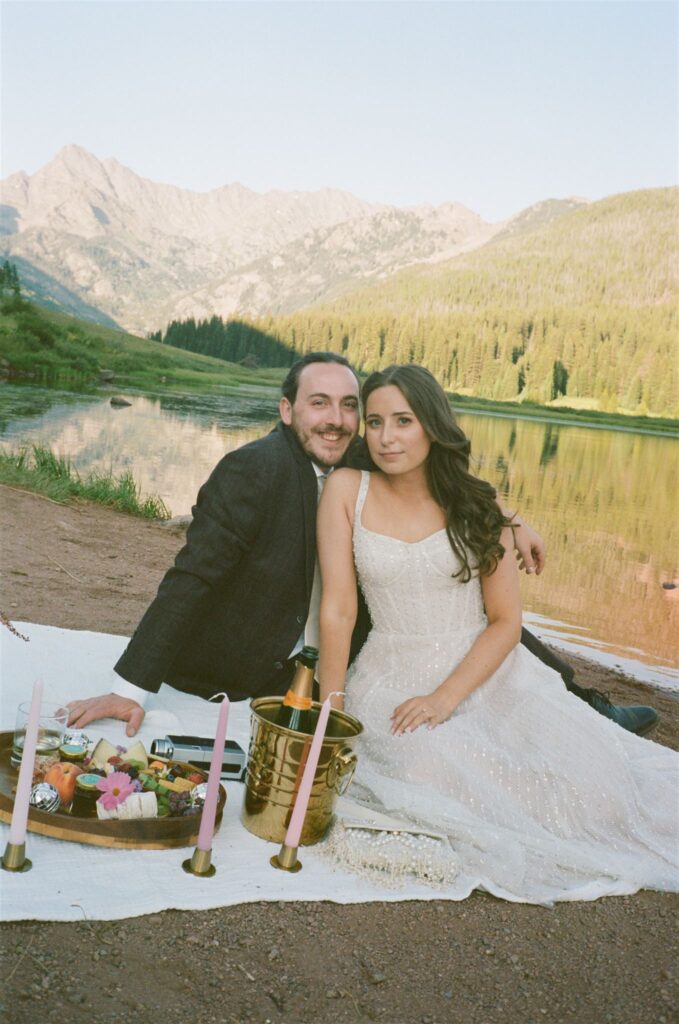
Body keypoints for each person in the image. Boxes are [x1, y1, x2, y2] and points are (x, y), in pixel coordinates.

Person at [66, 353, 655, 739]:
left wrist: (508, 518)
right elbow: (191, 577)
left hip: (360, 642)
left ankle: (587, 709)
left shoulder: (360, 452)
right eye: (318, 403)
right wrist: (129, 689)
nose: (337, 420)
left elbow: (439, 479)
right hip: (258, 663)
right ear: (286, 410)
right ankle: (582, 711)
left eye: (350, 407)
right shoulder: (255, 469)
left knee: (472, 611)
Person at [317, 365, 677, 903]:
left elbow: (507, 623)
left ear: (432, 426)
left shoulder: (478, 506)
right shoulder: (349, 489)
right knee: (428, 768)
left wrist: (444, 698)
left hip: (485, 670)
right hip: (390, 671)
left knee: (594, 791)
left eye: (403, 421)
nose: (386, 437)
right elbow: (339, 610)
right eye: (374, 422)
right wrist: (329, 714)